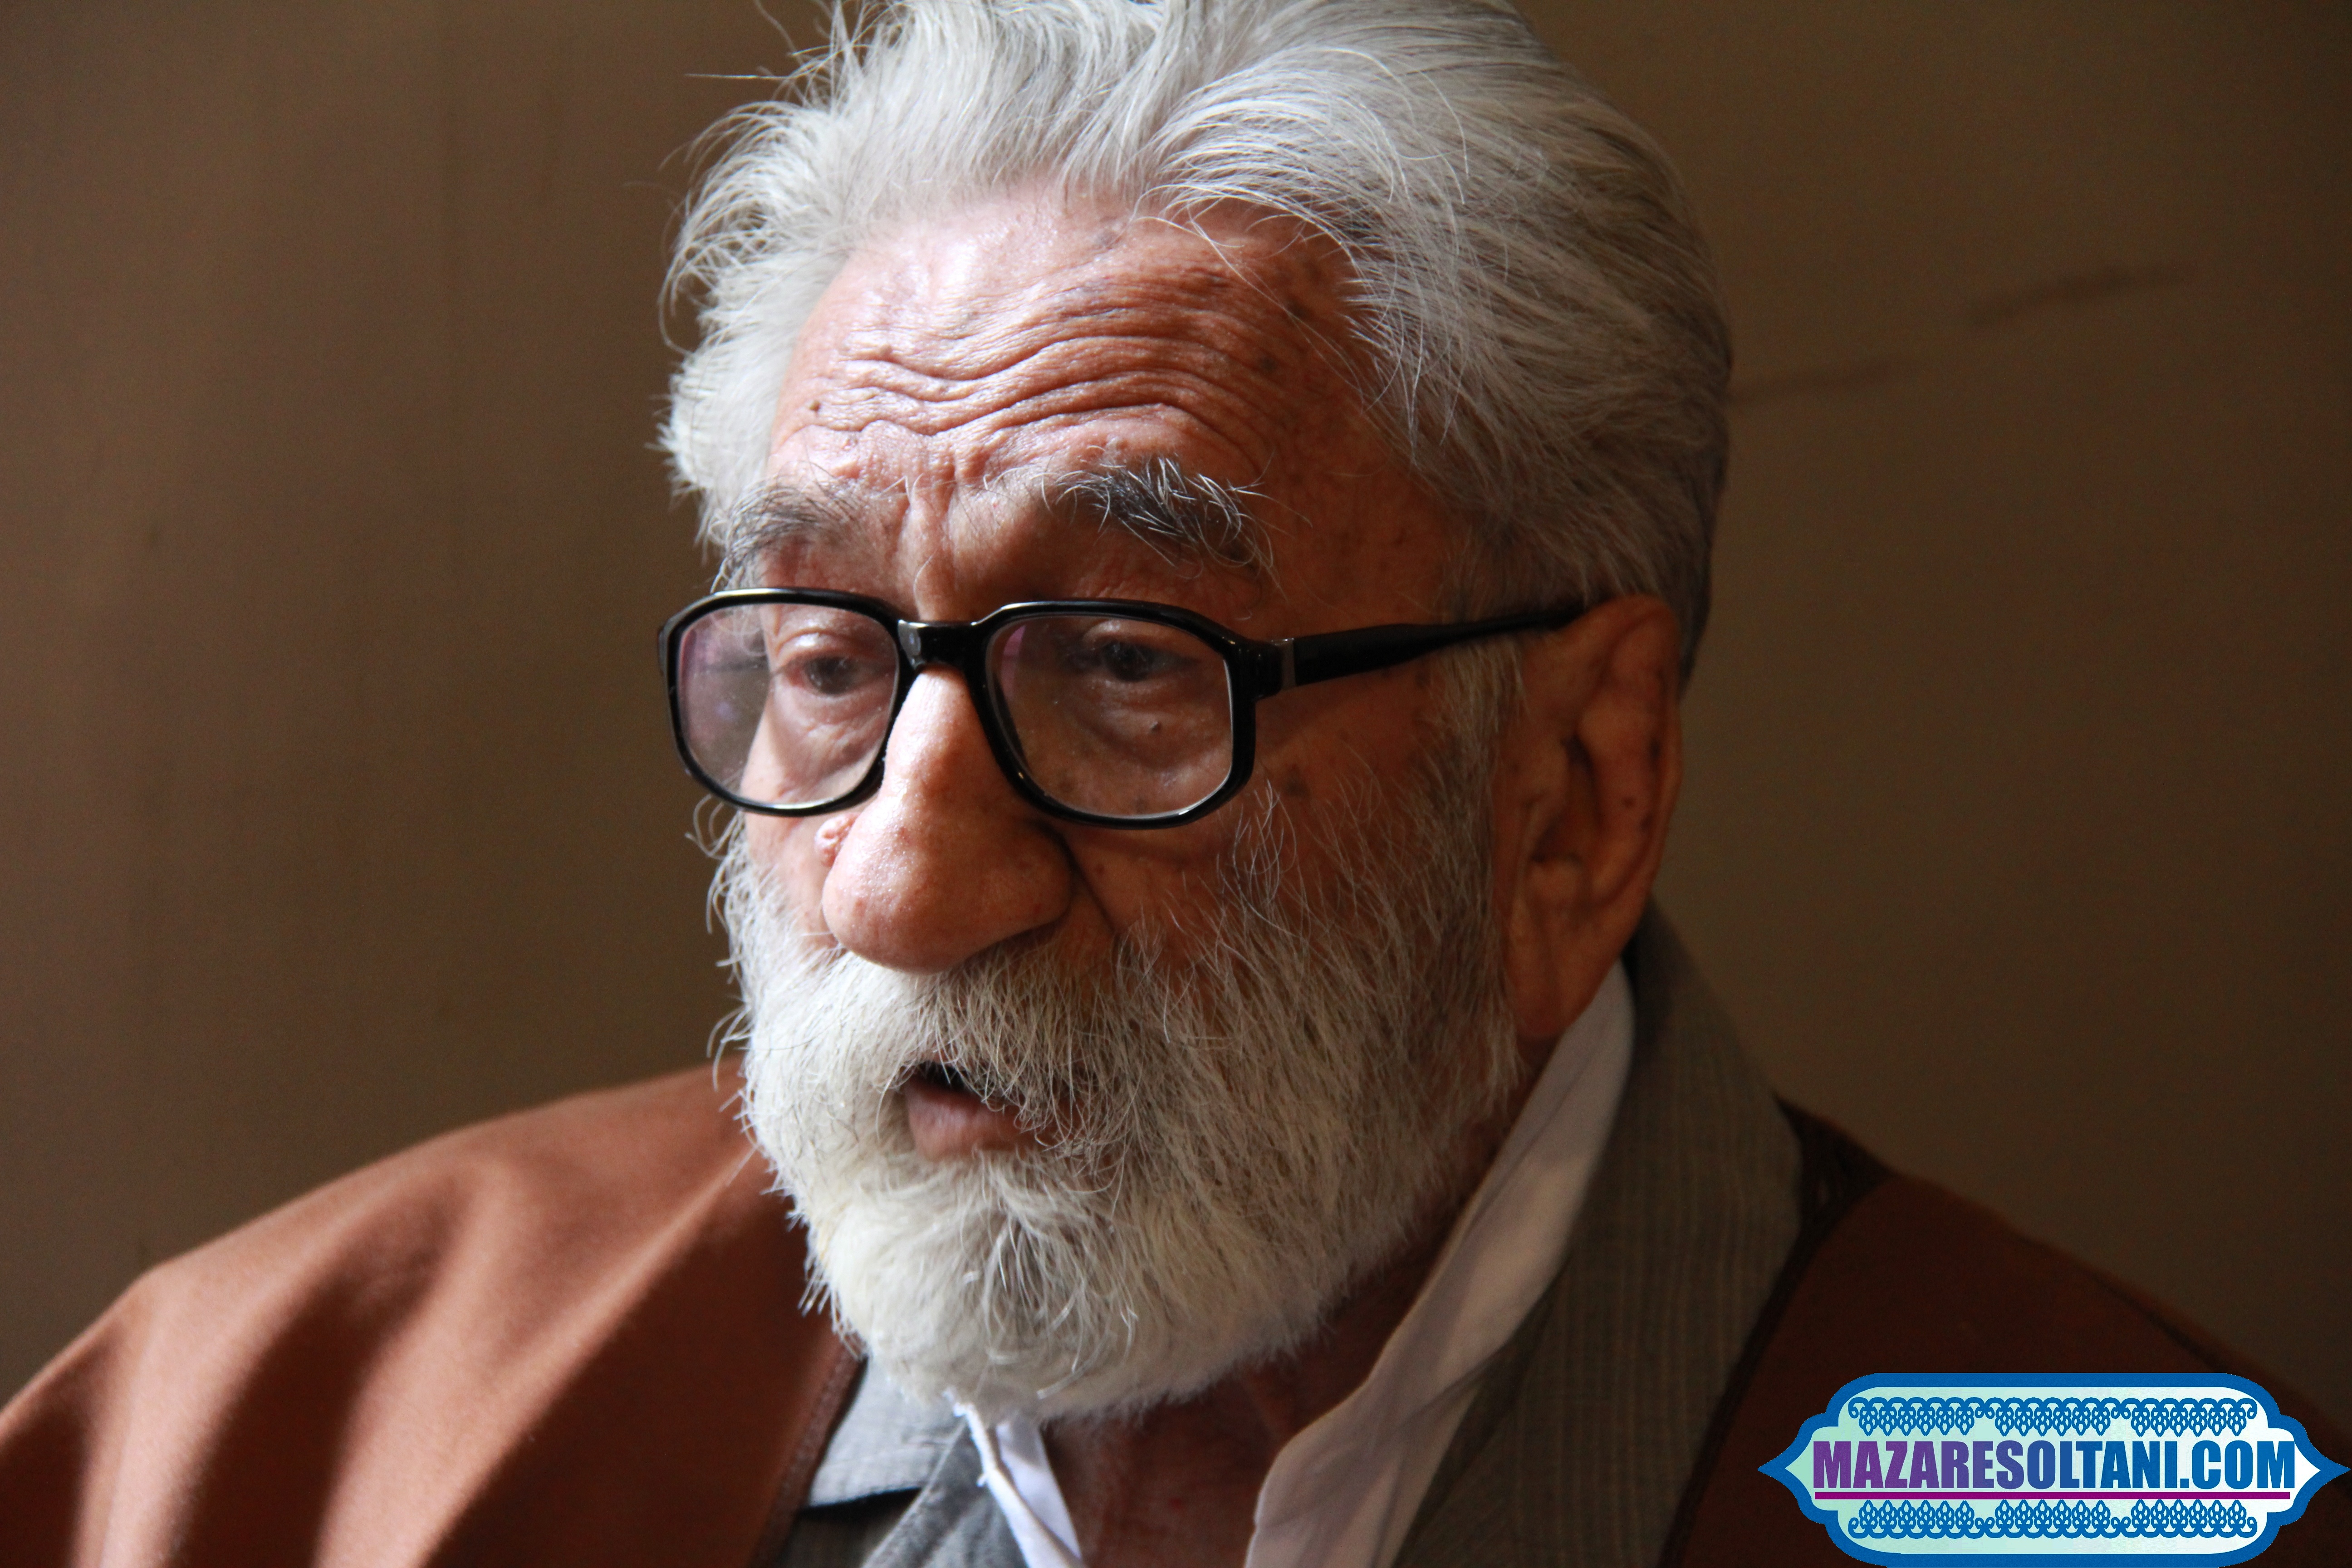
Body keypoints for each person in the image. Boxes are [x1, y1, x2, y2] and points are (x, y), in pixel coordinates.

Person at [0, 1, 2342, 1565]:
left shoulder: (2099, 1502)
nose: (902, 883)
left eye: (1128, 663)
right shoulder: (280, 1445)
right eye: (828, 656)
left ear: (1573, 795)